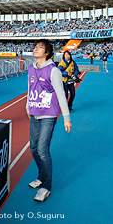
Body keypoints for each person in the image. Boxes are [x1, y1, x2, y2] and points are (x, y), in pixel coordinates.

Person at [27, 39, 72, 202]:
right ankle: (41, 175)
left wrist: (66, 118)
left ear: (47, 53)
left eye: (40, 47)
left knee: (42, 149)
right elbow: (30, 88)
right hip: (34, 112)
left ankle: (46, 186)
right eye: (35, 46)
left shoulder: (54, 71)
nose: (36, 49)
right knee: (33, 148)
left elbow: (61, 94)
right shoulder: (31, 68)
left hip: (48, 114)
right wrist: (27, 107)